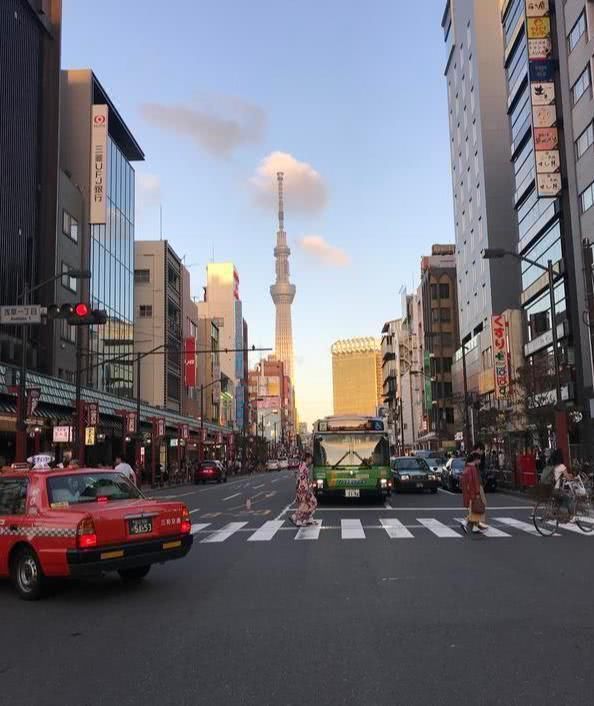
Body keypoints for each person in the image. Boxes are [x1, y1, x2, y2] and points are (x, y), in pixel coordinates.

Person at [460, 451, 488, 534]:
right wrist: (477, 493)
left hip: (468, 492)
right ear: (476, 459)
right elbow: (475, 482)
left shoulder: (467, 468)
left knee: (475, 510)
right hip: (474, 492)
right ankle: (465, 522)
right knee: (477, 509)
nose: (480, 461)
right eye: (479, 459)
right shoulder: (473, 469)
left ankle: (475, 527)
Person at [288, 452, 317, 527]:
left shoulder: (301, 465)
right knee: (312, 502)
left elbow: (297, 477)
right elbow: (304, 480)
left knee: (307, 504)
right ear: (307, 459)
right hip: (303, 489)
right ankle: (296, 517)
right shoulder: (304, 467)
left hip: (300, 488)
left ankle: (307, 519)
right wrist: (308, 489)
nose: (311, 460)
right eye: (310, 458)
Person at [550, 448, 576, 522]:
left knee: (560, 500)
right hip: (557, 489)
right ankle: (572, 517)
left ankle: (556, 513)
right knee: (569, 499)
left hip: (551, 489)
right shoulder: (561, 466)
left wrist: (567, 476)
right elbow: (568, 477)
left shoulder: (553, 466)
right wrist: (573, 478)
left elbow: (560, 476)